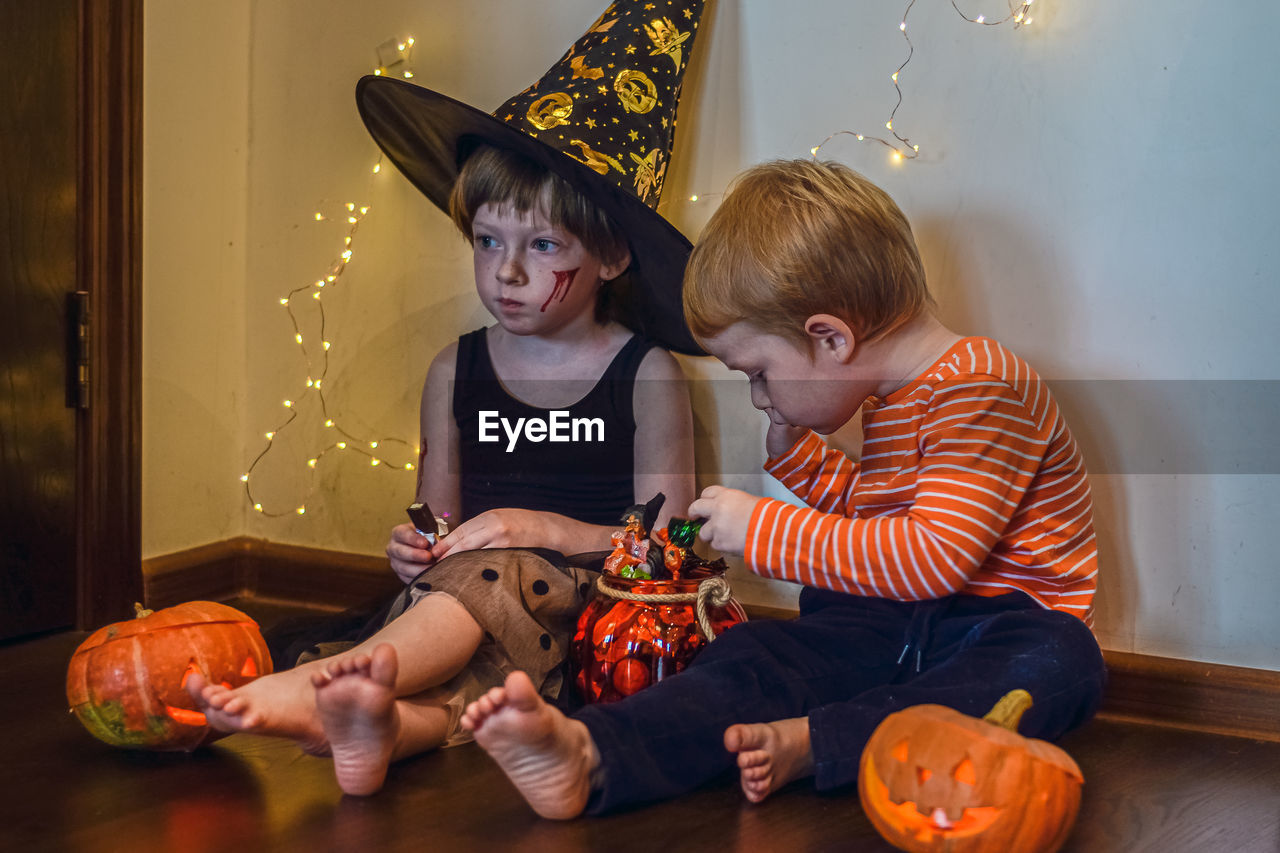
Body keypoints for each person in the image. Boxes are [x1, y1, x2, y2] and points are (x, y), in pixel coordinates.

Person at [461, 159, 1107, 820]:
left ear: (830, 337)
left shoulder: (982, 387)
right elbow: (882, 523)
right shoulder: (890, 398)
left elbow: (933, 557)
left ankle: (820, 740)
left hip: (994, 626)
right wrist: (810, 468)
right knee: (753, 654)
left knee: (1060, 660)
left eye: (761, 371)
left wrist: (766, 529)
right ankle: (594, 752)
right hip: (891, 619)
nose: (759, 394)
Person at [187, 0, 711, 797]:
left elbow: (668, 547)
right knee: (471, 682)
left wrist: (543, 529)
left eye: (541, 246)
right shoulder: (454, 370)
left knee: (500, 576)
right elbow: (439, 521)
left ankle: (316, 685)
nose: (506, 271)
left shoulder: (645, 373)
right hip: (461, 611)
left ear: (608, 255)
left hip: (583, 607)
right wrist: (415, 547)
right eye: (487, 241)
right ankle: (380, 726)